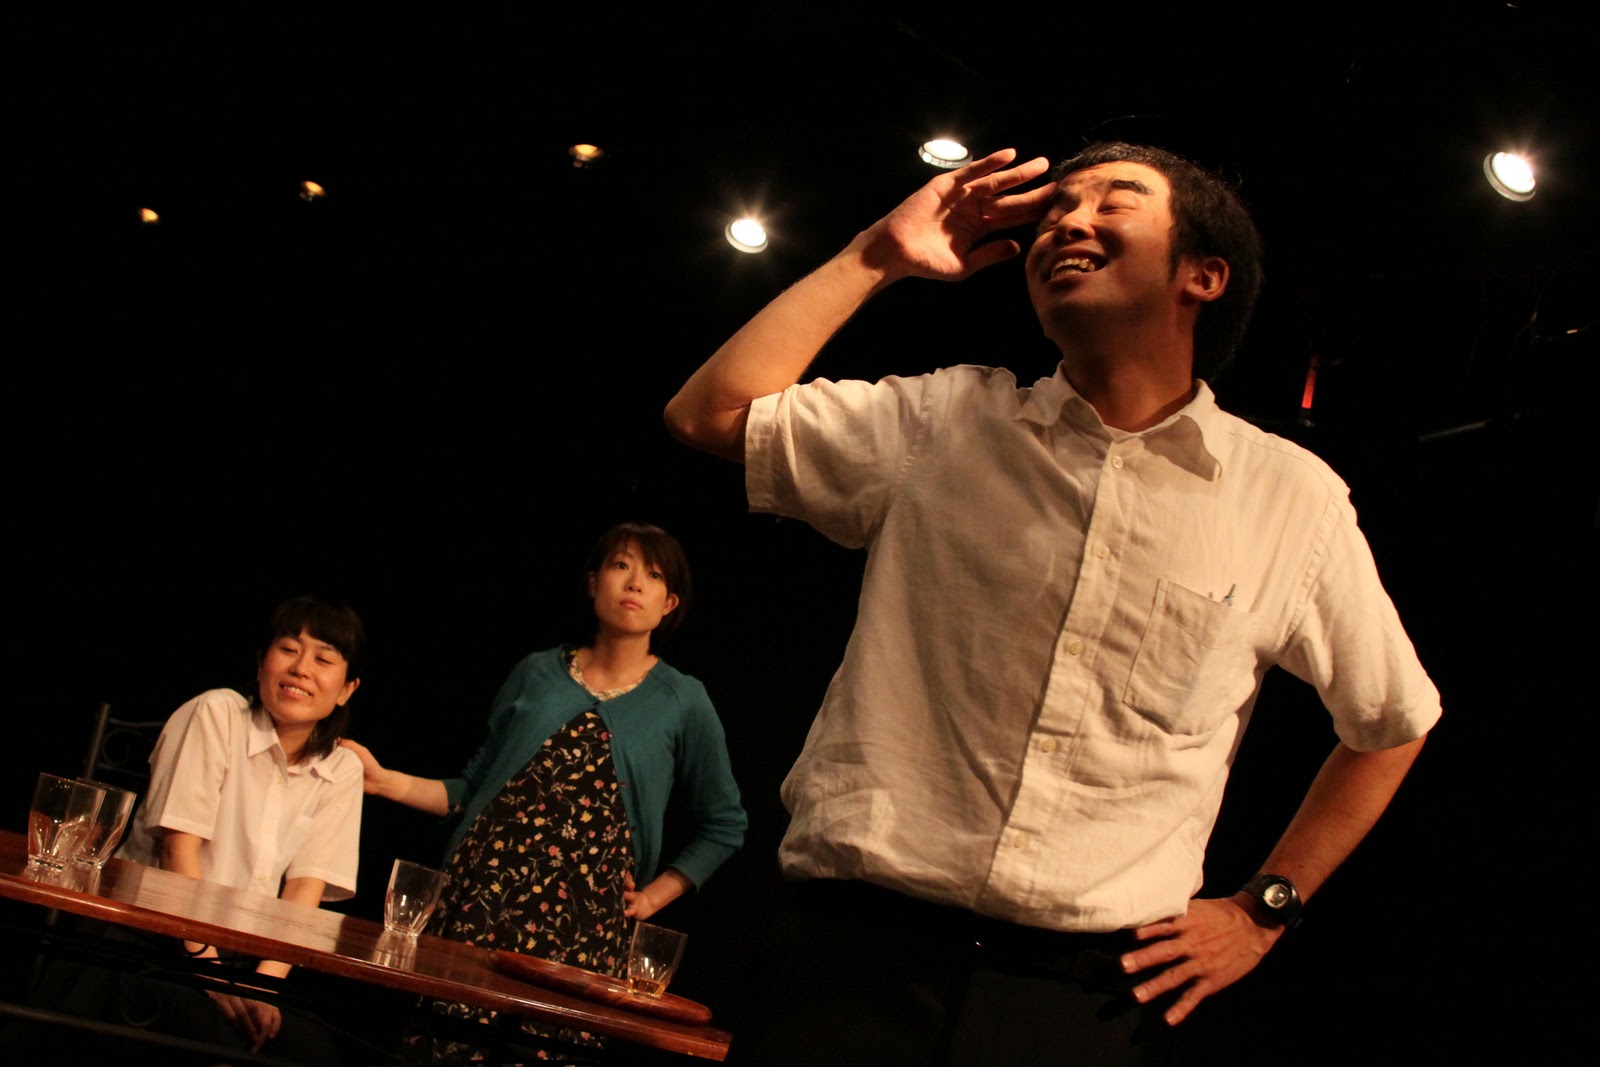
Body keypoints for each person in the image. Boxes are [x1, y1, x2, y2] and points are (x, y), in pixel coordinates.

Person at [665, 142, 1440, 1063]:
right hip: (851, 964)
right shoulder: (943, 421)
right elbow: (707, 413)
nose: (1067, 221)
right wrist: (877, 255)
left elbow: (1392, 721)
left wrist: (1263, 909)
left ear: (1202, 274)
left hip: (1082, 1004)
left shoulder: (1289, 497)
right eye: (1057, 209)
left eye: (1114, 201)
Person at [343, 522, 746, 1056]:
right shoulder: (536, 672)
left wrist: (653, 896)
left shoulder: (683, 700)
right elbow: (472, 787)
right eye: (621, 566)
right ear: (593, 582)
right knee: (443, 1045)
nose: (634, 584)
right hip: (479, 903)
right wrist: (385, 781)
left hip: (583, 929)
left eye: (653, 576)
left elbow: (724, 824)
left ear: (669, 603)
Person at [117, 594, 367, 1055]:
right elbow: (178, 852)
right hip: (151, 940)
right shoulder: (216, 713)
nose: (301, 669)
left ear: (346, 689)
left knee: (315, 1050)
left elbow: (304, 892)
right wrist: (212, 979)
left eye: (323, 659)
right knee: (213, 1042)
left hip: (244, 960)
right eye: (288, 649)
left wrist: (261, 988)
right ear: (260, 663)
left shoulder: (342, 768)